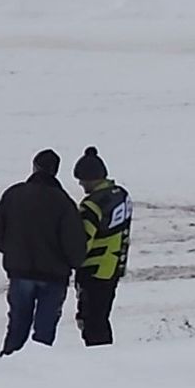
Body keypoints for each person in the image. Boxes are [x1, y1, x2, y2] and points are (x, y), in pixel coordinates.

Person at [0, 149, 87, 356]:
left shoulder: (13, 195)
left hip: (20, 273)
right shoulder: (64, 203)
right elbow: (75, 244)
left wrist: (15, 253)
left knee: (16, 327)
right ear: (55, 172)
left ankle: (6, 367)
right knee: (44, 333)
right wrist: (74, 263)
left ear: (34, 167)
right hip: (54, 277)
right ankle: (37, 374)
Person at [72, 147, 131, 346]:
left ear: (91, 178)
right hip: (114, 266)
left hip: (94, 269)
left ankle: (98, 361)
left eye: (82, 179)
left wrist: (72, 261)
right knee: (102, 317)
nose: (81, 184)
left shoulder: (91, 205)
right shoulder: (122, 195)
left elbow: (82, 241)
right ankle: (105, 355)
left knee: (91, 322)